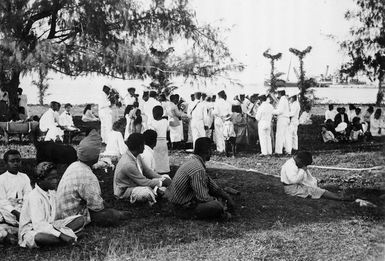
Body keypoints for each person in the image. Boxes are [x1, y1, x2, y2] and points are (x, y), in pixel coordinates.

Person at [56, 130, 129, 227]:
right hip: (71, 218)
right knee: (110, 215)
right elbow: (97, 207)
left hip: (60, 213)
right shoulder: (88, 176)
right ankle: (121, 214)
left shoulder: (74, 165)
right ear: (95, 156)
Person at [166, 137, 236, 220]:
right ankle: (223, 215)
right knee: (216, 205)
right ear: (207, 151)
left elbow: (212, 186)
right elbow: (203, 198)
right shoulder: (198, 169)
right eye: (211, 149)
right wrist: (219, 202)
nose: (212, 152)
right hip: (181, 209)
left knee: (218, 198)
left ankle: (221, 211)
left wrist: (226, 196)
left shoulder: (194, 162)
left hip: (180, 204)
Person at [18, 162, 85, 248]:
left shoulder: (52, 193)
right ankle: (68, 238)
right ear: (40, 180)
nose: (55, 181)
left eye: (56, 177)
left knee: (80, 219)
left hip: (50, 225)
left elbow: (54, 219)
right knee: (41, 238)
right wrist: (62, 235)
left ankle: (64, 237)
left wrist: (58, 228)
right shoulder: (34, 196)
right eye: (51, 179)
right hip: (33, 230)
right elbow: (39, 225)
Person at [113, 133, 171, 204]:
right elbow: (143, 182)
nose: (144, 147)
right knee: (146, 193)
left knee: (165, 177)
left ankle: (156, 191)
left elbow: (147, 171)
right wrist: (161, 182)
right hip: (125, 191)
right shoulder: (128, 164)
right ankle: (155, 194)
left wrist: (161, 177)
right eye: (143, 145)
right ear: (140, 146)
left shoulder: (137, 156)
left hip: (136, 184)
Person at [281, 151, 353, 200]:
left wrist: (306, 174)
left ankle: (336, 195)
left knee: (313, 187)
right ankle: (339, 197)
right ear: (300, 160)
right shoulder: (290, 166)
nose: (304, 166)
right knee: (317, 191)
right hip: (292, 189)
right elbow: (293, 180)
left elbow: (306, 177)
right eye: (304, 164)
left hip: (296, 186)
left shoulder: (295, 163)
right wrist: (302, 170)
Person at [0, 150, 32, 243]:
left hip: (22, 209)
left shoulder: (24, 177)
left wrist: (24, 210)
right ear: (6, 163)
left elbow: (28, 195)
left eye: (18, 161)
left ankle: (13, 232)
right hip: (7, 210)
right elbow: (2, 202)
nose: (16, 163)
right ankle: (8, 232)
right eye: (12, 161)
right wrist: (16, 212)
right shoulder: (1, 179)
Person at [149, 106, 170, 174]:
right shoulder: (165, 121)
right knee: (164, 158)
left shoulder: (152, 123)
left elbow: (152, 133)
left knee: (156, 158)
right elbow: (168, 129)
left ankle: (157, 171)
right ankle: (165, 171)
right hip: (164, 141)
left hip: (156, 142)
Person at [273, 90, 291, 155]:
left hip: (282, 119)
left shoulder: (282, 100)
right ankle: (288, 150)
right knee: (286, 135)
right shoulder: (285, 99)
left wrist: (272, 111)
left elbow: (279, 111)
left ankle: (278, 151)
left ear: (280, 93)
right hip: (286, 119)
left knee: (279, 135)